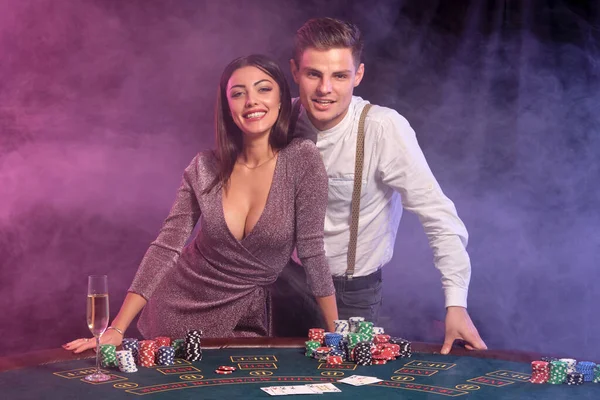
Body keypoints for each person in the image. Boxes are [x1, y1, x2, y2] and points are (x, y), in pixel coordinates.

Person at [64, 54, 338, 353]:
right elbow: (166, 246)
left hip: (246, 318)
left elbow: (313, 252)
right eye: (238, 93)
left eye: (263, 89)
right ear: (227, 106)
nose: (251, 101)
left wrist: (337, 334)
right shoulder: (204, 166)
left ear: (282, 99)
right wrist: (117, 328)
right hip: (176, 308)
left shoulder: (303, 160)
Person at [277, 17, 487, 355]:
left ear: (358, 75)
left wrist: (456, 303)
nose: (325, 89)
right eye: (314, 73)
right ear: (295, 71)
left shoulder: (383, 129)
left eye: (340, 76)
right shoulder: (279, 120)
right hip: (284, 282)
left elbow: (439, 216)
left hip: (350, 292)